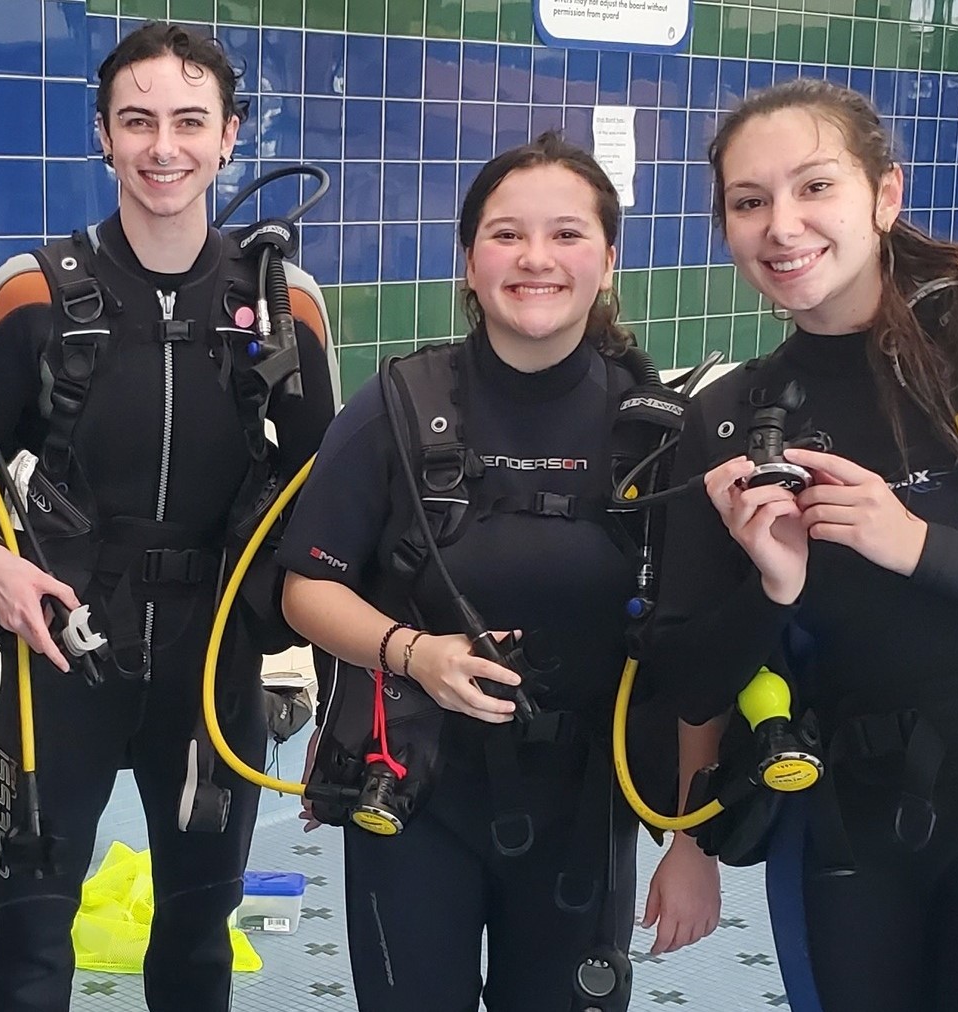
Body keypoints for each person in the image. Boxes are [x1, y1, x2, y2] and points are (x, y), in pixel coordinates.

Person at [0, 21, 334, 1012]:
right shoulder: (31, 292)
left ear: (231, 135)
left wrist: (346, 697)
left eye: (190, 121)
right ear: (103, 136)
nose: (165, 146)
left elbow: (330, 497)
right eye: (139, 120)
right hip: (60, 658)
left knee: (198, 939)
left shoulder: (287, 306)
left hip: (211, 670)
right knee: (30, 941)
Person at [278, 133, 703, 1012]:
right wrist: (409, 652)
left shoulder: (656, 430)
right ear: (469, 261)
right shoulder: (394, 408)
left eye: (567, 234)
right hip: (415, 794)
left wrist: (692, 842)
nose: (536, 259)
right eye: (507, 235)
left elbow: (695, 639)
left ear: (609, 258)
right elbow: (305, 590)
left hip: (585, 806)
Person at [648, 78, 958, 1012]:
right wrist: (769, 587)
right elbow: (687, 673)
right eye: (749, 203)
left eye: (814, 188)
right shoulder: (729, 419)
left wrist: (915, 542)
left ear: (885, 196)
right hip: (847, 828)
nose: (782, 226)